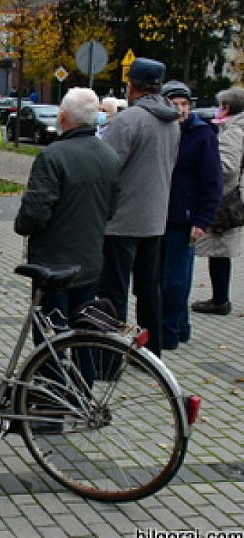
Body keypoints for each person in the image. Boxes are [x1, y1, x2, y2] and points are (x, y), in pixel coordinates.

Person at [15, 87, 120, 353]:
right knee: (84, 333)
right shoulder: (109, 156)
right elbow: (111, 209)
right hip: (90, 261)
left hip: (53, 265)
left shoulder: (53, 156)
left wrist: (22, 224)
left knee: (51, 337)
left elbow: (35, 214)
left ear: (62, 117)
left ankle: (52, 389)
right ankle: (83, 388)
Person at [97, 58, 181, 357]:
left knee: (113, 292)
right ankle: (151, 353)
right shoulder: (171, 122)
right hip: (155, 218)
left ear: (131, 85)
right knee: (148, 290)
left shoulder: (128, 120)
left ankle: (109, 356)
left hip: (122, 220)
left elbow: (106, 168)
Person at [159, 80, 223, 348]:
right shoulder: (163, 131)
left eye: (185, 105)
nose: (181, 110)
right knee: (165, 279)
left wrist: (202, 220)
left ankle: (168, 335)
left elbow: (213, 182)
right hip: (160, 216)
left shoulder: (202, 135)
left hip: (185, 220)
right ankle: (181, 327)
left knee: (175, 281)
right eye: (176, 105)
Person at [192, 86, 244, 315]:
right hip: (231, 197)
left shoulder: (233, 131)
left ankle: (220, 300)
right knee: (219, 250)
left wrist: (206, 171)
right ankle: (219, 297)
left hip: (226, 198)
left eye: (220, 105)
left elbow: (227, 166)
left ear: (227, 108)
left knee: (219, 250)